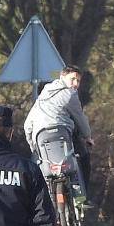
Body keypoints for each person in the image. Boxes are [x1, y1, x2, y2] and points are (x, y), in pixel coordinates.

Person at [23, 67, 92, 200]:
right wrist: (88, 136)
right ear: (62, 77)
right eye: (73, 79)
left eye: (78, 81)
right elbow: (80, 118)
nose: (75, 84)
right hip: (62, 135)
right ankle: (80, 199)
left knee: (39, 171)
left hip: (41, 139)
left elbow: (27, 125)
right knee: (81, 160)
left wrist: (33, 147)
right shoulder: (70, 94)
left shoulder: (42, 96)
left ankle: (41, 203)